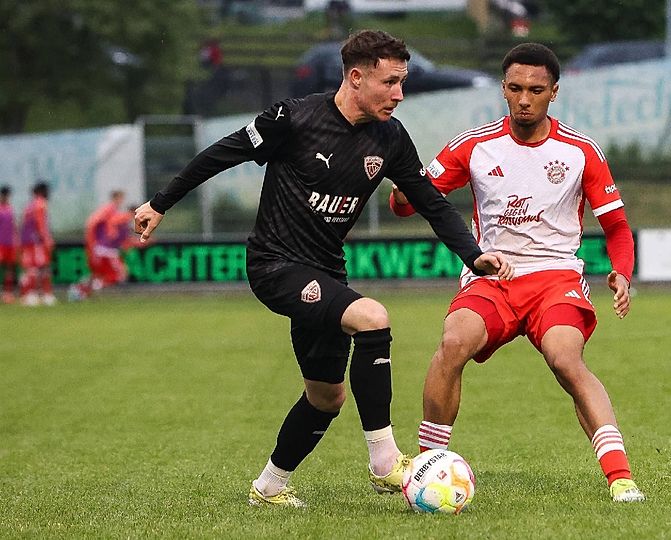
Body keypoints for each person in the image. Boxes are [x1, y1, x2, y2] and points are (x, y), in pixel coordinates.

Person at [133, 29, 513, 509]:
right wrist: (160, 203)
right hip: (275, 265)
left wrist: (474, 255)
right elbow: (220, 155)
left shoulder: (390, 137)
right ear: (356, 77)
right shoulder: (295, 119)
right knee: (372, 316)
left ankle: (269, 487)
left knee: (325, 397)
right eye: (390, 82)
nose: (399, 94)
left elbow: (431, 204)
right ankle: (384, 459)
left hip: (326, 272)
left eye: (403, 83)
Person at [389, 43, 645, 503]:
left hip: (555, 278)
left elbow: (617, 227)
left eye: (536, 90)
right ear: (503, 89)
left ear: (554, 92)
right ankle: (428, 468)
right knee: (452, 344)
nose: (524, 99)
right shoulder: (474, 145)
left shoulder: (580, 152)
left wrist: (622, 272)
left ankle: (620, 477)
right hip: (492, 276)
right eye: (514, 88)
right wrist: (405, 185)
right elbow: (405, 204)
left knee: (566, 360)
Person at [68, 191, 134, 301]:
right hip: (105, 250)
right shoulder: (110, 210)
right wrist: (94, 241)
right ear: (117, 198)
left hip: (104, 249)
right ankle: (80, 289)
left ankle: (79, 290)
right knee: (119, 275)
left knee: (100, 275)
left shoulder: (114, 212)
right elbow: (92, 223)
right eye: (121, 198)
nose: (122, 201)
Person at [19, 181, 55, 306]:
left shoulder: (29, 206)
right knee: (41, 267)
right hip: (37, 242)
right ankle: (44, 295)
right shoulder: (40, 204)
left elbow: (22, 225)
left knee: (32, 268)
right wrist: (47, 239)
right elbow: (41, 224)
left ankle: (30, 294)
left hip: (28, 242)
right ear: (41, 191)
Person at [0, 185, 17, 304]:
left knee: (9, 269)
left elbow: (14, 226)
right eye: (4, 195)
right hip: (0, 243)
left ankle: (8, 293)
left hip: (10, 244)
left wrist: (16, 240)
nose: (6, 197)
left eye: (7, 195)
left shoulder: (10, 209)